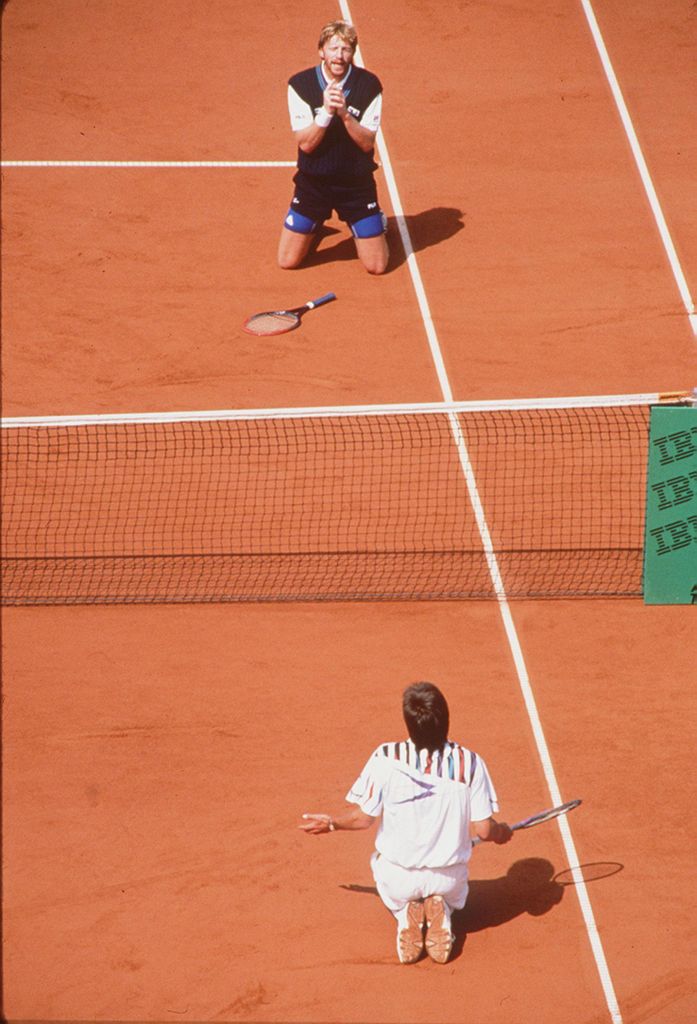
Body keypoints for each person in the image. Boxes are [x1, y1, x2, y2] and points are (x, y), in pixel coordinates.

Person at [299, 682, 513, 965]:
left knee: (381, 867)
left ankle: (405, 913)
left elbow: (362, 818)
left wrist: (332, 823)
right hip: (449, 879)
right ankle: (443, 908)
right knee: (448, 892)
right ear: (446, 718)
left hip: (399, 879)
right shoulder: (469, 763)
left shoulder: (386, 758)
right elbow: (484, 830)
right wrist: (502, 832)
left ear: (409, 723)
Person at [278, 20, 389, 275]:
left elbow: (366, 143)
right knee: (287, 260)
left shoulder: (369, 86)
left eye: (346, 49)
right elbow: (306, 144)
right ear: (321, 51)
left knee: (377, 266)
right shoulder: (300, 85)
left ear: (353, 53)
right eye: (334, 48)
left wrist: (345, 115)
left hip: (355, 186)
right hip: (313, 184)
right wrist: (326, 113)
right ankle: (314, 224)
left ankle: (375, 222)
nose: (339, 56)